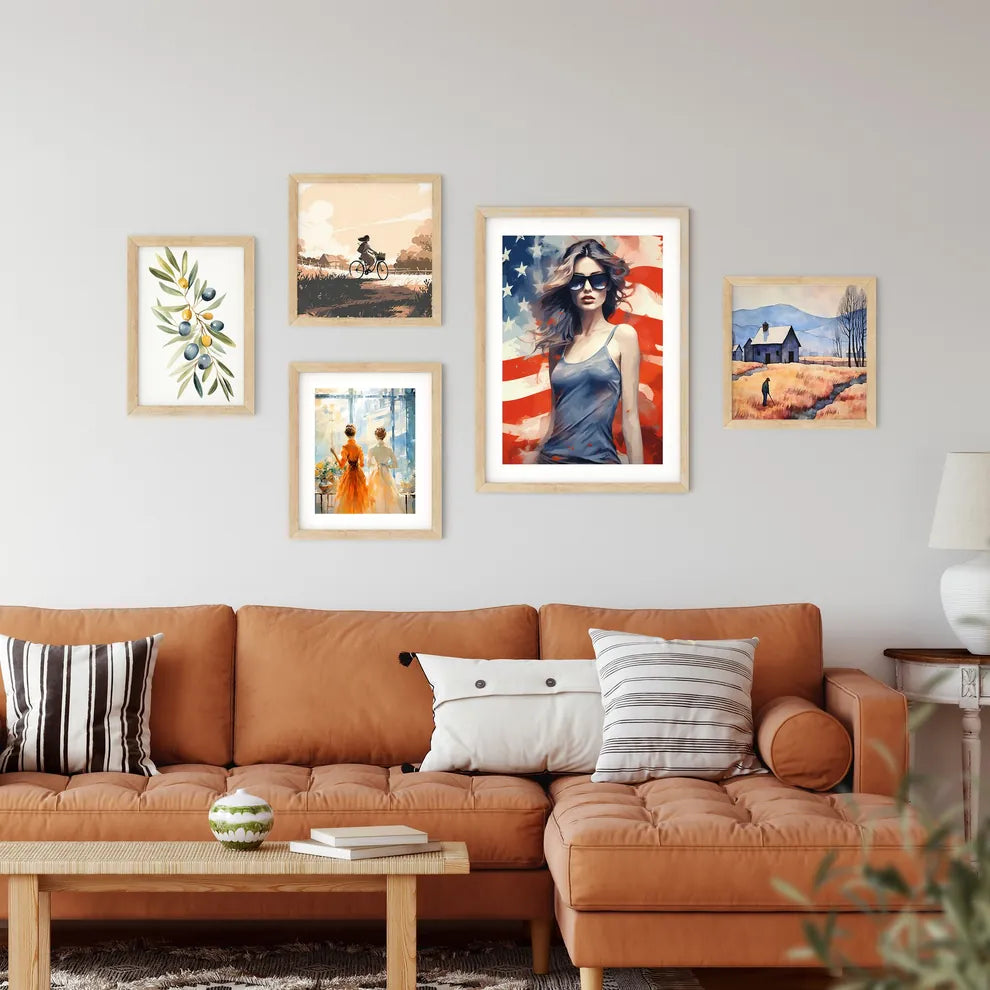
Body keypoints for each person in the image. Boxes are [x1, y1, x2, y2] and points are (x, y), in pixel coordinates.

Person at [532, 238, 642, 465]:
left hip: (599, 464)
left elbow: (630, 418)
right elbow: (556, 414)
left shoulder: (623, 336)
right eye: (578, 281)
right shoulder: (559, 344)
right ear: (568, 287)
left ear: (608, 284)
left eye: (597, 280)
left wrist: (641, 481)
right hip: (550, 464)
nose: (588, 289)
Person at [332, 425, 369, 513]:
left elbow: (341, 465)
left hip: (349, 474)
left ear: (346, 435)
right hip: (358, 474)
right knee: (358, 497)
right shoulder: (359, 447)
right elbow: (362, 464)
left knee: (348, 497)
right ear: (354, 434)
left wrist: (334, 454)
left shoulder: (345, 447)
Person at [367, 427, 401, 513]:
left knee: (377, 494)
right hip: (385, 472)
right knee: (387, 494)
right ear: (384, 436)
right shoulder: (388, 449)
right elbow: (395, 464)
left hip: (376, 472)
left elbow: (368, 464)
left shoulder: (372, 449)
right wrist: (386, 465)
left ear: (376, 436)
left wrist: (376, 464)